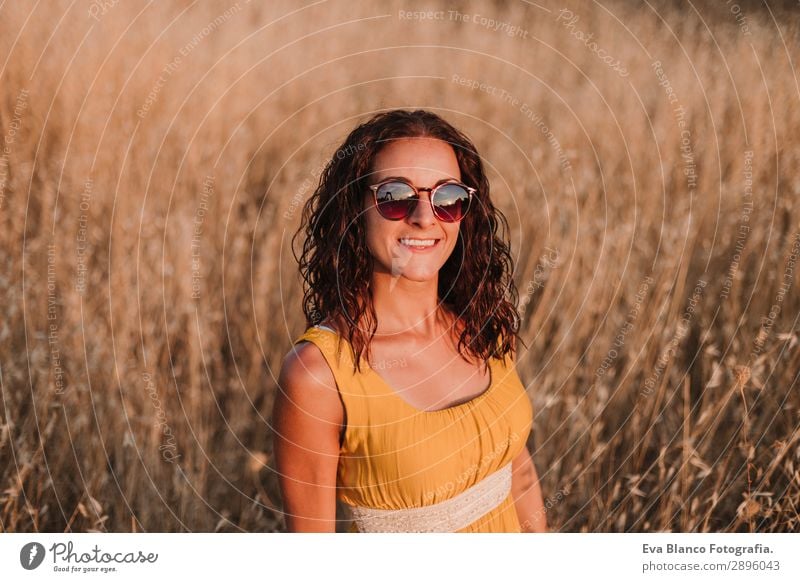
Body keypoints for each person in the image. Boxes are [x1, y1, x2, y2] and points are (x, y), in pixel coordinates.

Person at [272, 109, 547, 533]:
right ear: (355, 208)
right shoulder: (318, 376)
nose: (424, 217)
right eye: (396, 197)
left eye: (448, 198)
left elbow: (520, 478)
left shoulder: (482, 324)